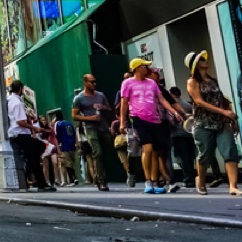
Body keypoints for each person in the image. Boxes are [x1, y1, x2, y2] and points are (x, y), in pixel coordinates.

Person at [119, 57, 182, 194]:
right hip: (139, 118)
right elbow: (124, 104)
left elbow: (162, 100)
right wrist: (122, 122)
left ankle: (154, 181)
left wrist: (174, 112)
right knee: (147, 148)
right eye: (145, 66)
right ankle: (148, 181)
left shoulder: (152, 83)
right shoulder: (128, 83)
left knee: (156, 151)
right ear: (138, 68)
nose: (147, 69)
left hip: (155, 119)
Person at [184, 50, 241, 196]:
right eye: (201, 59)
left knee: (230, 152)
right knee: (205, 156)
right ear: (196, 64)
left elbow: (222, 99)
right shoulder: (192, 82)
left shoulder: (213, 80)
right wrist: (223, 112)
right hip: (203, 124)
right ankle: (201, 181)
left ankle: (233, 186)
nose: (205, 60)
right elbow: (199, 102)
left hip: (222, 123)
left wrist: (230, 116)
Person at [7, 79, 52, 191]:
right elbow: (20, 122)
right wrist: (34, 128)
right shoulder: (17, 103)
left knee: (34, 155)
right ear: (20, 89)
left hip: (16, 134)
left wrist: (28, 118)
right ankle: (38, 181)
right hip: (21, 134)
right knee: (37, 151)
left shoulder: (10, 100)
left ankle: (33, 178)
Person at [71, 73, 112, 191]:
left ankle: (100, 176)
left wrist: (102, 107)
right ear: (85, 82)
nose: (94, 84)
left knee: (105, 152)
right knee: (97, 152)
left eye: (95, 81)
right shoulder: (79, 98)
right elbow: (74, 116)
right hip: (90, 128)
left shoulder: (100, 95)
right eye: (92, 82)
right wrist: (90, 118)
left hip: (103, 127)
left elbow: (109, 109)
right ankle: (101, 181)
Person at [168, 86, 197, 189]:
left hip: (176, 134)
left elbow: (170, 121)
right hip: (188, 134)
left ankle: (188, 178)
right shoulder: (187, 105)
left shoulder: (171, 106)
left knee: (181, 158)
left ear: (171, 94)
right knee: (190, 157)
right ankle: (192, 178)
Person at [52, 110, 78, 187]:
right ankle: (72, 179)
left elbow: (56, 135)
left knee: (66, 163)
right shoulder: (69, 123)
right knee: (71, 162)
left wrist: (58, 147)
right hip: (72, 144)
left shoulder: (58, 124)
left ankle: (73, 179)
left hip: (64, 145)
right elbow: (74, 134)